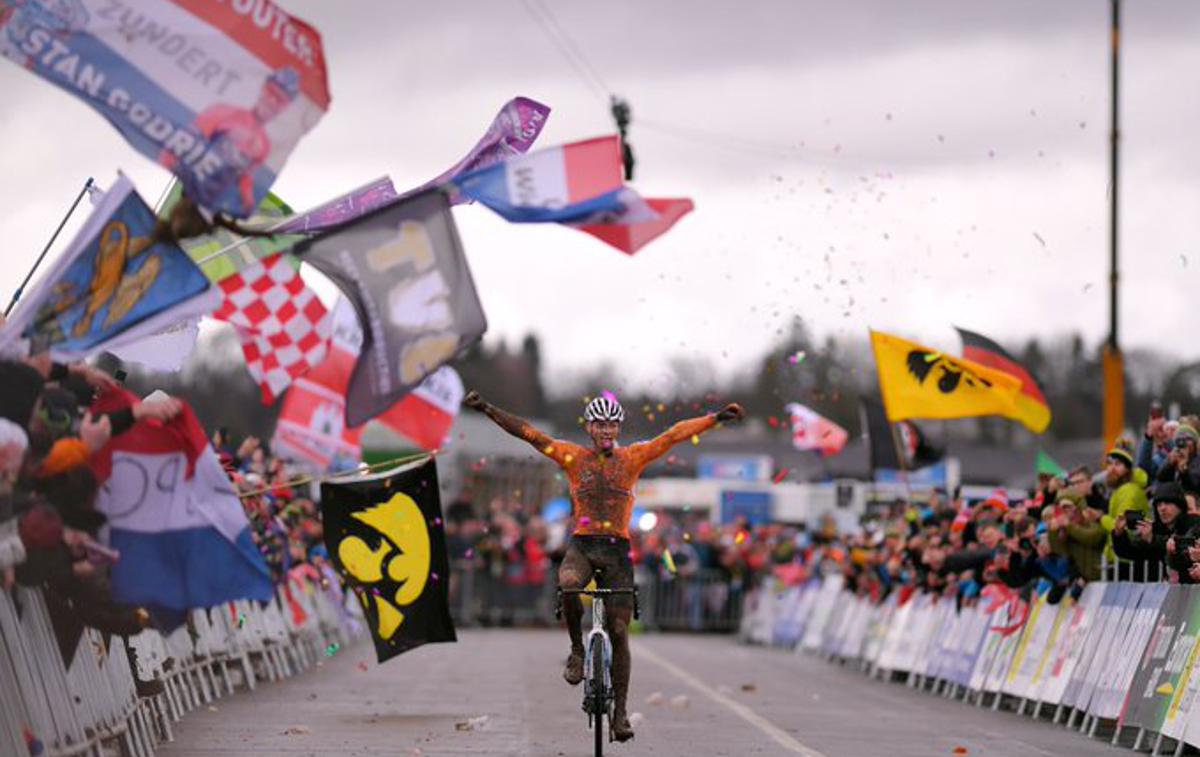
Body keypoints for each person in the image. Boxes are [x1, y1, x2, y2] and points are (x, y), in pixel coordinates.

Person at [465, 390, 744, 742]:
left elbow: (673, 434)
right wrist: (488, 407)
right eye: (600, 424)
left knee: (620, 632)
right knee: (568, 583)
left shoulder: (633, 458)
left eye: (612, 423)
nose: (607, 430)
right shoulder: (571, 456)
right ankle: (578, 652)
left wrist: (715, 418)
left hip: (617, 551)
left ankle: (621, 713)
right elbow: (529, 434)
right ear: (589, 426)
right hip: (582, 546)